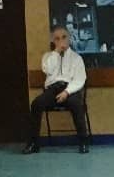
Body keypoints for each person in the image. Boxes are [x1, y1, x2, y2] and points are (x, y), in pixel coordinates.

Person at [23, 24, 90, 154]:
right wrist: (56, 52)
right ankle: (33, 144)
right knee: (36, 104)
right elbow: (47, 70)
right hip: (52, 90)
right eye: (57, 38)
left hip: (70, 89)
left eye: (64, 37)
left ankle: (83, 142)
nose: (61, 41)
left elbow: (80, 79)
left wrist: (67, 92)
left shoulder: (77, 58)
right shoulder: (48, 56)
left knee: (77, 104)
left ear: (69, 38)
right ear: (53, 41)